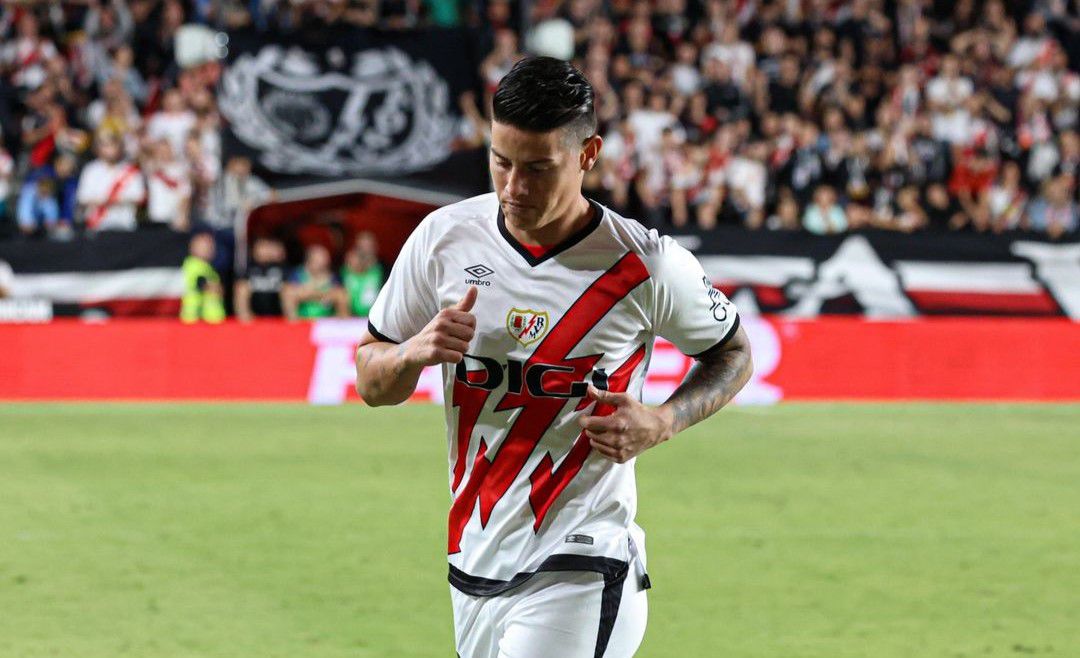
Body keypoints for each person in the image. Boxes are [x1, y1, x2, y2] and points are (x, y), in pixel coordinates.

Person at [354, 57, 753, 658]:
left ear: (588, 154)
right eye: (501, 162)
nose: (513, 187)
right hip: (476, 559)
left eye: (537, 168)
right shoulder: (443, 239)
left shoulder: (645, 264)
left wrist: (664, 421)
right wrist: (413, 351)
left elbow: (734, 354)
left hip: (584, 561)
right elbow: (371, 379)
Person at [282, 244, 348, 320]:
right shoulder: (297, 274)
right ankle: (294, 327)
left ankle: (342, 327)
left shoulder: (333, 277)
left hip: (327, 320)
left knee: (342, 296)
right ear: (309, 261)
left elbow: (339, 294)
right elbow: (289, 293)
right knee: (288, 294)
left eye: (325, 263)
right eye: (318, 261)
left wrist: (308, 294)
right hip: (302, 319)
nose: (323, 265)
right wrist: (322, 294)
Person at [233, 236, 287, 322]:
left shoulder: (283, 268)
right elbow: (240, 285)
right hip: (255, 311)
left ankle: (291, 324)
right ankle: (246, 323)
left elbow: (290, 285)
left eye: (267, 247)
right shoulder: (249, 269)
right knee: (241, 288)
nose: (265, 250)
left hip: (277, 309)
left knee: (288, 290)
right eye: (261, 247)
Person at [180, 232, 225, 323]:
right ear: (192, 248)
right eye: (204, 247)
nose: (209, 250)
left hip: (211, 320)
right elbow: (201, 282)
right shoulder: (192, 264)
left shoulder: (209, 267)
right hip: (196, 319)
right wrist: (215, 287)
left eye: (211, 247)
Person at [341, 231, 384, 317]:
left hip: (376, 316)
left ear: (375, 247)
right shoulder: (344, 273)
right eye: (361, 248)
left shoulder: (384, 270)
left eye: (368, 247)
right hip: (351, 318)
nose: (365, 251)